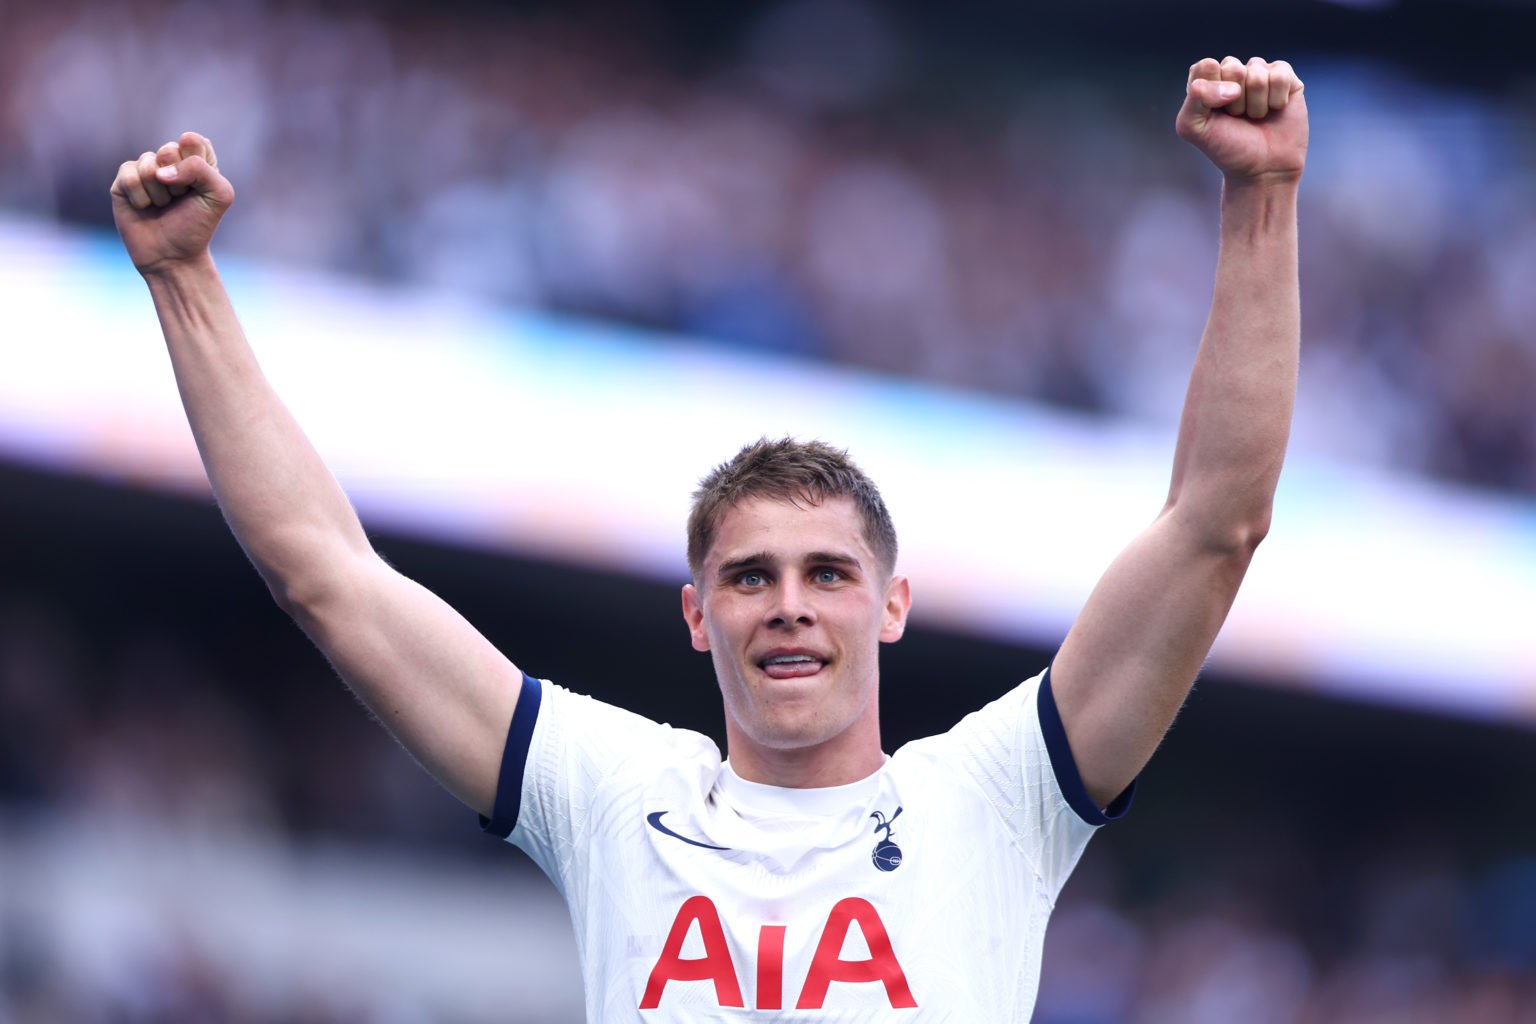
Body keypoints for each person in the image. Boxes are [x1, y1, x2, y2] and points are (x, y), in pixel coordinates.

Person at [110, 55, 1307, 1021]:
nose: (788, 602)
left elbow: (1217, 525)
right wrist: (184, 282)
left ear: (892, 605)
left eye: (828, 573)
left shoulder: (999, 796)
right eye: (748, 576)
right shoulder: (614, 794)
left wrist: (1262, 201)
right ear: (697, 613)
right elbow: (327, 576)